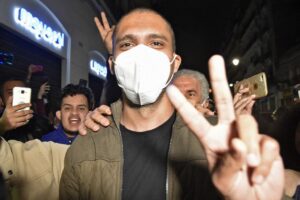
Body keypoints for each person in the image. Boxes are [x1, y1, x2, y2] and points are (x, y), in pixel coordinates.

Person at [60, 8, 284, 200]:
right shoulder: (86, 147)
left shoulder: (220, 140)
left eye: (156, 43)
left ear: (174, 63)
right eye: (127, 44)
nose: (141, 54)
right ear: (112, 63)